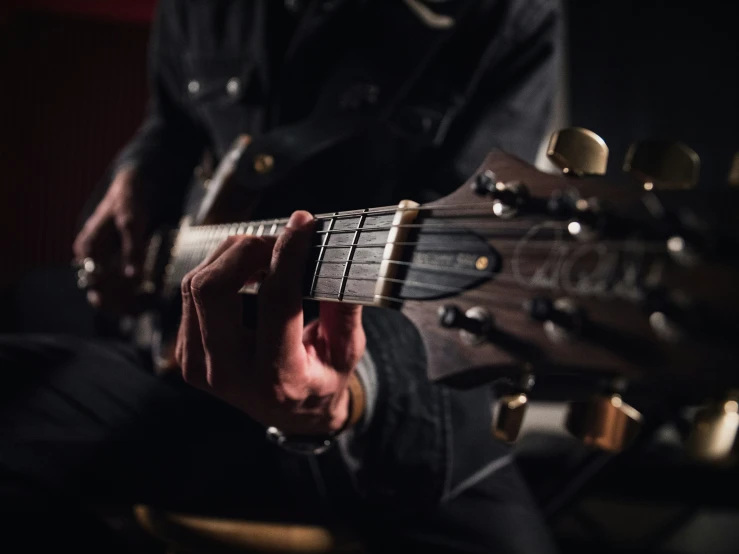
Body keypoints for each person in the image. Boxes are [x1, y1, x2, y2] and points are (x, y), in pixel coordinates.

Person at [1, 0, 560, 552]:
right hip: (183, 372)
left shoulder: (510, 14)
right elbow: (172, 122)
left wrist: (351, 390)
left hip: (390, 405)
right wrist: (134, 175)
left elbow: (465, 263)